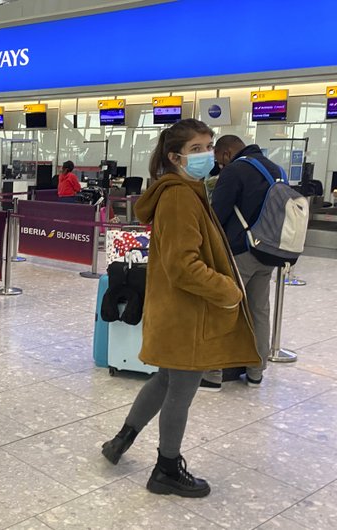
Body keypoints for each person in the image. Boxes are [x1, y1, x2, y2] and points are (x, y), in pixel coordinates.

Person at [100, 119, 260, 498]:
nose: (208, 155)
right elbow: (183, 265)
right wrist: (229, 290)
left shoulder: (186, 190)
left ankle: (122, 438)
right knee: (181, 389)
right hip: (189, 313)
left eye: (209, 146)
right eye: (197, 150)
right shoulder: (180, 197)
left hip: (177, 310)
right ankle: (166, 469)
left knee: (166, 379)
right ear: (175, 157)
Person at [200, 135, 277, 391]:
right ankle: (256, 372)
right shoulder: (273, 168)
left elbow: (217, 215)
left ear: (225, 153)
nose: (219, 165)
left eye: (218, 159)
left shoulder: (235, 170)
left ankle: (212, 373)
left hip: (239, 252)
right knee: (259, 310)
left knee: (223, 306)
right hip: (268, 253)